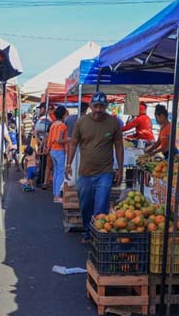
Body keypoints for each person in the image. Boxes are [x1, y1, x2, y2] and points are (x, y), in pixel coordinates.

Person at [66, 92, 123, 240]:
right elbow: (73, 143)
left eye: (102, 106)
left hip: (105, 172)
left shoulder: (113, 123)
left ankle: (98, 235)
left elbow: (119, 146)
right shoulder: (81, 122)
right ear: (90, 106)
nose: (98, 109)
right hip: (85, 173)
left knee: (101, 205)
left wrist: (121, 169)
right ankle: (87, 229)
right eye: (96, 106)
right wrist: (68, 164)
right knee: (85, 205)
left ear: (106, 107)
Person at [47, 105, 69, 202]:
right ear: (64, 114)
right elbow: (60, 140)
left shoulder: (53, 124)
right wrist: (69, 139)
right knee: (60, 172)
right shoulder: (62, 126)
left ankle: (55, 193)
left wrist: (48, 149)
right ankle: (57, 195)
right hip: (59, 150)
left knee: (56, 172)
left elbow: (50, 139)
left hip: (52, 150)